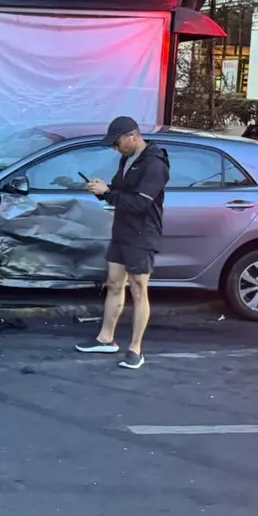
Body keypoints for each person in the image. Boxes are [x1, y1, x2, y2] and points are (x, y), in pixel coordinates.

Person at [76, 116, 170, 370]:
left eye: (117, 143)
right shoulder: (128, 158)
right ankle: (106, 339)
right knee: (114, 283)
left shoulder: (154, 164)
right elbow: (119, 190)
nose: (115, 149)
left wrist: (108, 193)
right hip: (122, 229)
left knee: (139, 289)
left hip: (142, 233)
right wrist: (102, 189)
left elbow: (140, 203)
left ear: (133, 136)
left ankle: (136, 350)